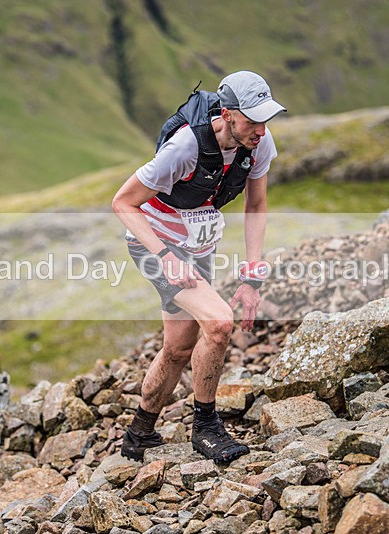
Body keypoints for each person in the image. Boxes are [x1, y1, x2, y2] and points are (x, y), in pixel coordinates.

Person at [112, 71, 285, 463]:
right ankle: (205, 428)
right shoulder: (185, 147)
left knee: (177, 348)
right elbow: (123, 203)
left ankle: (138, 434)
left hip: (196, 244)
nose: (261, 129)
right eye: (252, 120)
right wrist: (165, 256)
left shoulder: (258, 142)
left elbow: (255, 206)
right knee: (220, 323)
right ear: (226, 114)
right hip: (155, 244)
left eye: (265, 119)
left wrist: (251, 277)